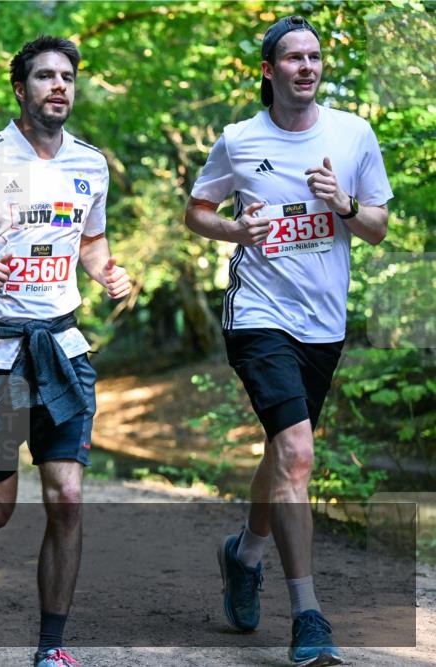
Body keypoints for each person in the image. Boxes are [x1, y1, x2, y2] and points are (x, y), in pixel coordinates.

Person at [0, 35, 131, 667]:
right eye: (45, 76)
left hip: (61, 347)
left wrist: (109, 272)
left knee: (66, 496)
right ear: (21, 89)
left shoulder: (91, 165)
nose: (59, 86)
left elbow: (91, 242)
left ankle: (50, 649)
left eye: (68, 76)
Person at [185, 15, 392, 667]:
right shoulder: (240, 140)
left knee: (283, 452)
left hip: (323, 324)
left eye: (315, 56)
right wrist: (234, 234)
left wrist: (344, 204)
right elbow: (198, 210)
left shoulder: (353, 135)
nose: (307, 66)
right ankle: (309, 616)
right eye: (294, 58)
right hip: (257, 314)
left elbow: (379, 226)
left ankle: (243, 553)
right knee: (298, 452)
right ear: (270, 71)